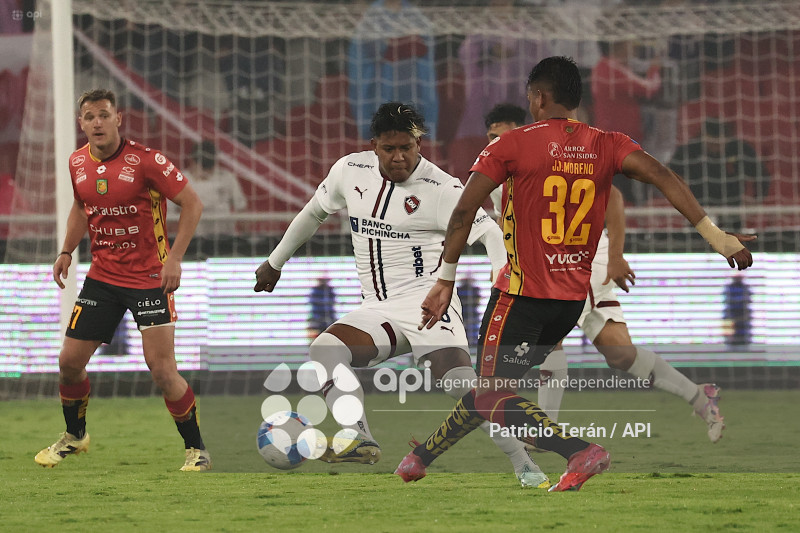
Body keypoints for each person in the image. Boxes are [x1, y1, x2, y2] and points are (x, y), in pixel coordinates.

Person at [395, 57, 753, 492]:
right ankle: (420, 458)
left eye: (531, 95)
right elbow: (661, 174)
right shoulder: (608, 142)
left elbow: (463, 212)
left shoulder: (511, 145)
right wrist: (713, 234)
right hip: (568, 302)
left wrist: (445, 279)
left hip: (521, 297)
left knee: (491, 394)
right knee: (495, 392)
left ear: (538, 97)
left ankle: (578, 451)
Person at [254, 102, 549, 488]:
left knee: (464, 388)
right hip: (377, 310)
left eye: (407, 147)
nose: (399, 157)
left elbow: (492, 234)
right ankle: (358, 437)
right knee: (324, 350)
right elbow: (313, 213)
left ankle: (524, 464)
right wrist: (275, 262)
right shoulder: (349, 170)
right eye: (390, 149)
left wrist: (501, 283)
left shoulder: (441, 188)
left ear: (419, 144)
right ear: (374, 145)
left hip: (429, 304)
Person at [485, 104, 728, 444]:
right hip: (547, 261)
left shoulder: (545, 157)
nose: (497, 141)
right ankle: (700, 396)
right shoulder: (493, 172)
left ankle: (542, 431)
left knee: (555, 339)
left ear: (521, 131)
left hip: (584, 256)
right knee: (620, 354)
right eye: (492, 136)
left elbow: (612, 197)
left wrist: (615, 255)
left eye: (504, 134)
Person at [35, 89, 210, 472]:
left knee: (162, 369)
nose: (96, 122)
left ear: (118, 119)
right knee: (69, 361)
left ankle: (196, 450)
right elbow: (82, 206)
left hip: (149, 277)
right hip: (103, 277)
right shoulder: (77, 162)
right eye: (89, 117)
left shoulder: (147, 161)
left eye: (103, 115)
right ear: (81, 123)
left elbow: (193, 203)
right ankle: (75, 435)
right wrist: (66, 250)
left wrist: (175, 259)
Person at [347, 0, 438, 140]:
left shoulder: (414, 14)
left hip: (411, 80)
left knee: (412, 125)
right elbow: (363, 49)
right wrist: (389, 45)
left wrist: (409, 42)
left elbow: (425, 45)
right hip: (381, 81)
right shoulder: (373, 14)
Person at [591, 39, 662, 204]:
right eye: (629, 43)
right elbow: (649, 88)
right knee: (625, 192)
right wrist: (655, 69)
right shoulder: (612, 69)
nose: (633, 47)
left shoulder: (603, 67)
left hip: (612, 142)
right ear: (619, 45)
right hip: (619, 145)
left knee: (620, 189)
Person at [669, 118, 770, 230]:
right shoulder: (689, 151)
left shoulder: (740, 150)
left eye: (718, 144)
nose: (714, 147)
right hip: (699, 207)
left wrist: (756, 199)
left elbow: (763, 176)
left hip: (732, 207)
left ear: (726, 139)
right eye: (710, 143)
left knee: (732, 241)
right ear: (703, 138)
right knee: (697, 241)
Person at [183, 140, 247, 239]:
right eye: (203, 165)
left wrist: (247, 238)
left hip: (225, 238)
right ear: (192, 160)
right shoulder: (181, 180)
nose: (207, 170)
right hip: (192, 240)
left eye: (209, 165)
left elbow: (241, 210)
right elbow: (169, 216)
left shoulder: (227, 178)